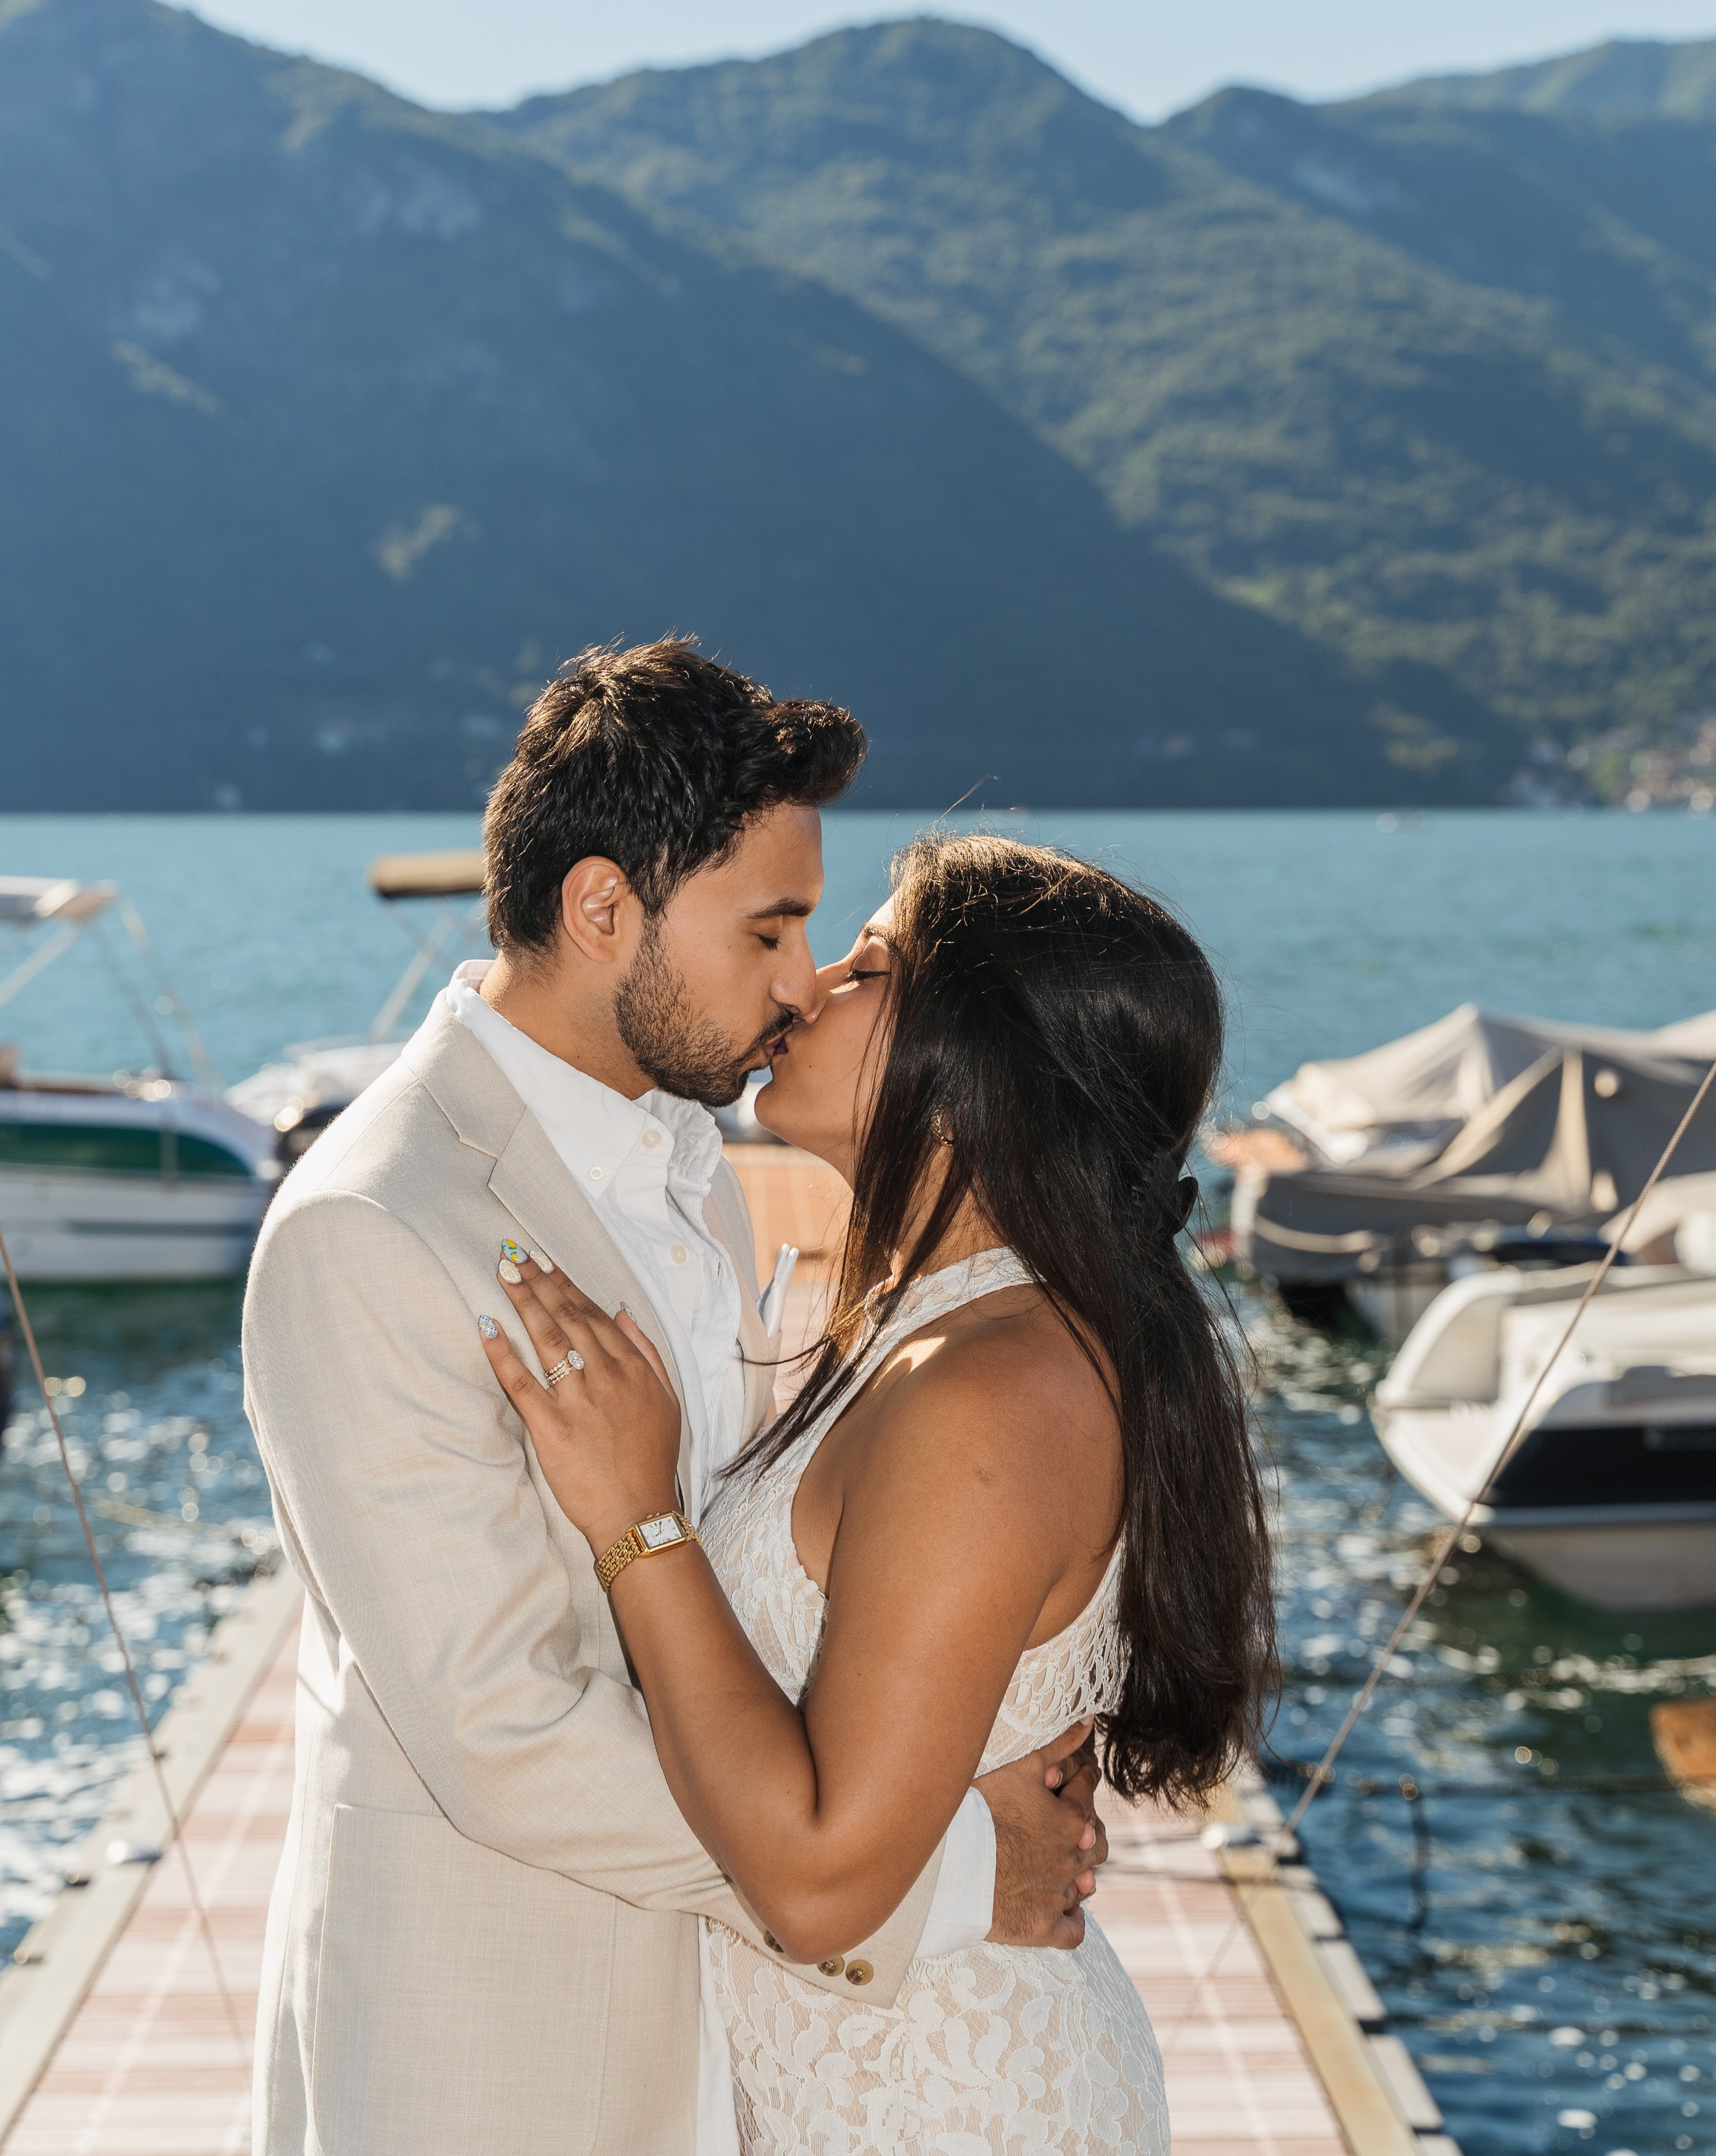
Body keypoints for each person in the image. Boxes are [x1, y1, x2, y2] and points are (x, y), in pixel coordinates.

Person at [243, 642, 1105, 2156]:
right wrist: (942, 1867)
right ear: (601, 910)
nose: (799, 981)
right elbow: (501, 1726)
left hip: (751, 2051)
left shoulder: (688, 1155)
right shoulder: (370, 1226)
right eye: (767, 930)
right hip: (497, 2055)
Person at [485, 829, 1277, 2155]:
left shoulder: (994, 1392)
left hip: (948, 2101)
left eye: (872, 963)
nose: (806, 984)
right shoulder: (932, 1334)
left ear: (983, 1073)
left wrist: (639, 1520)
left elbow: (819, 1878)